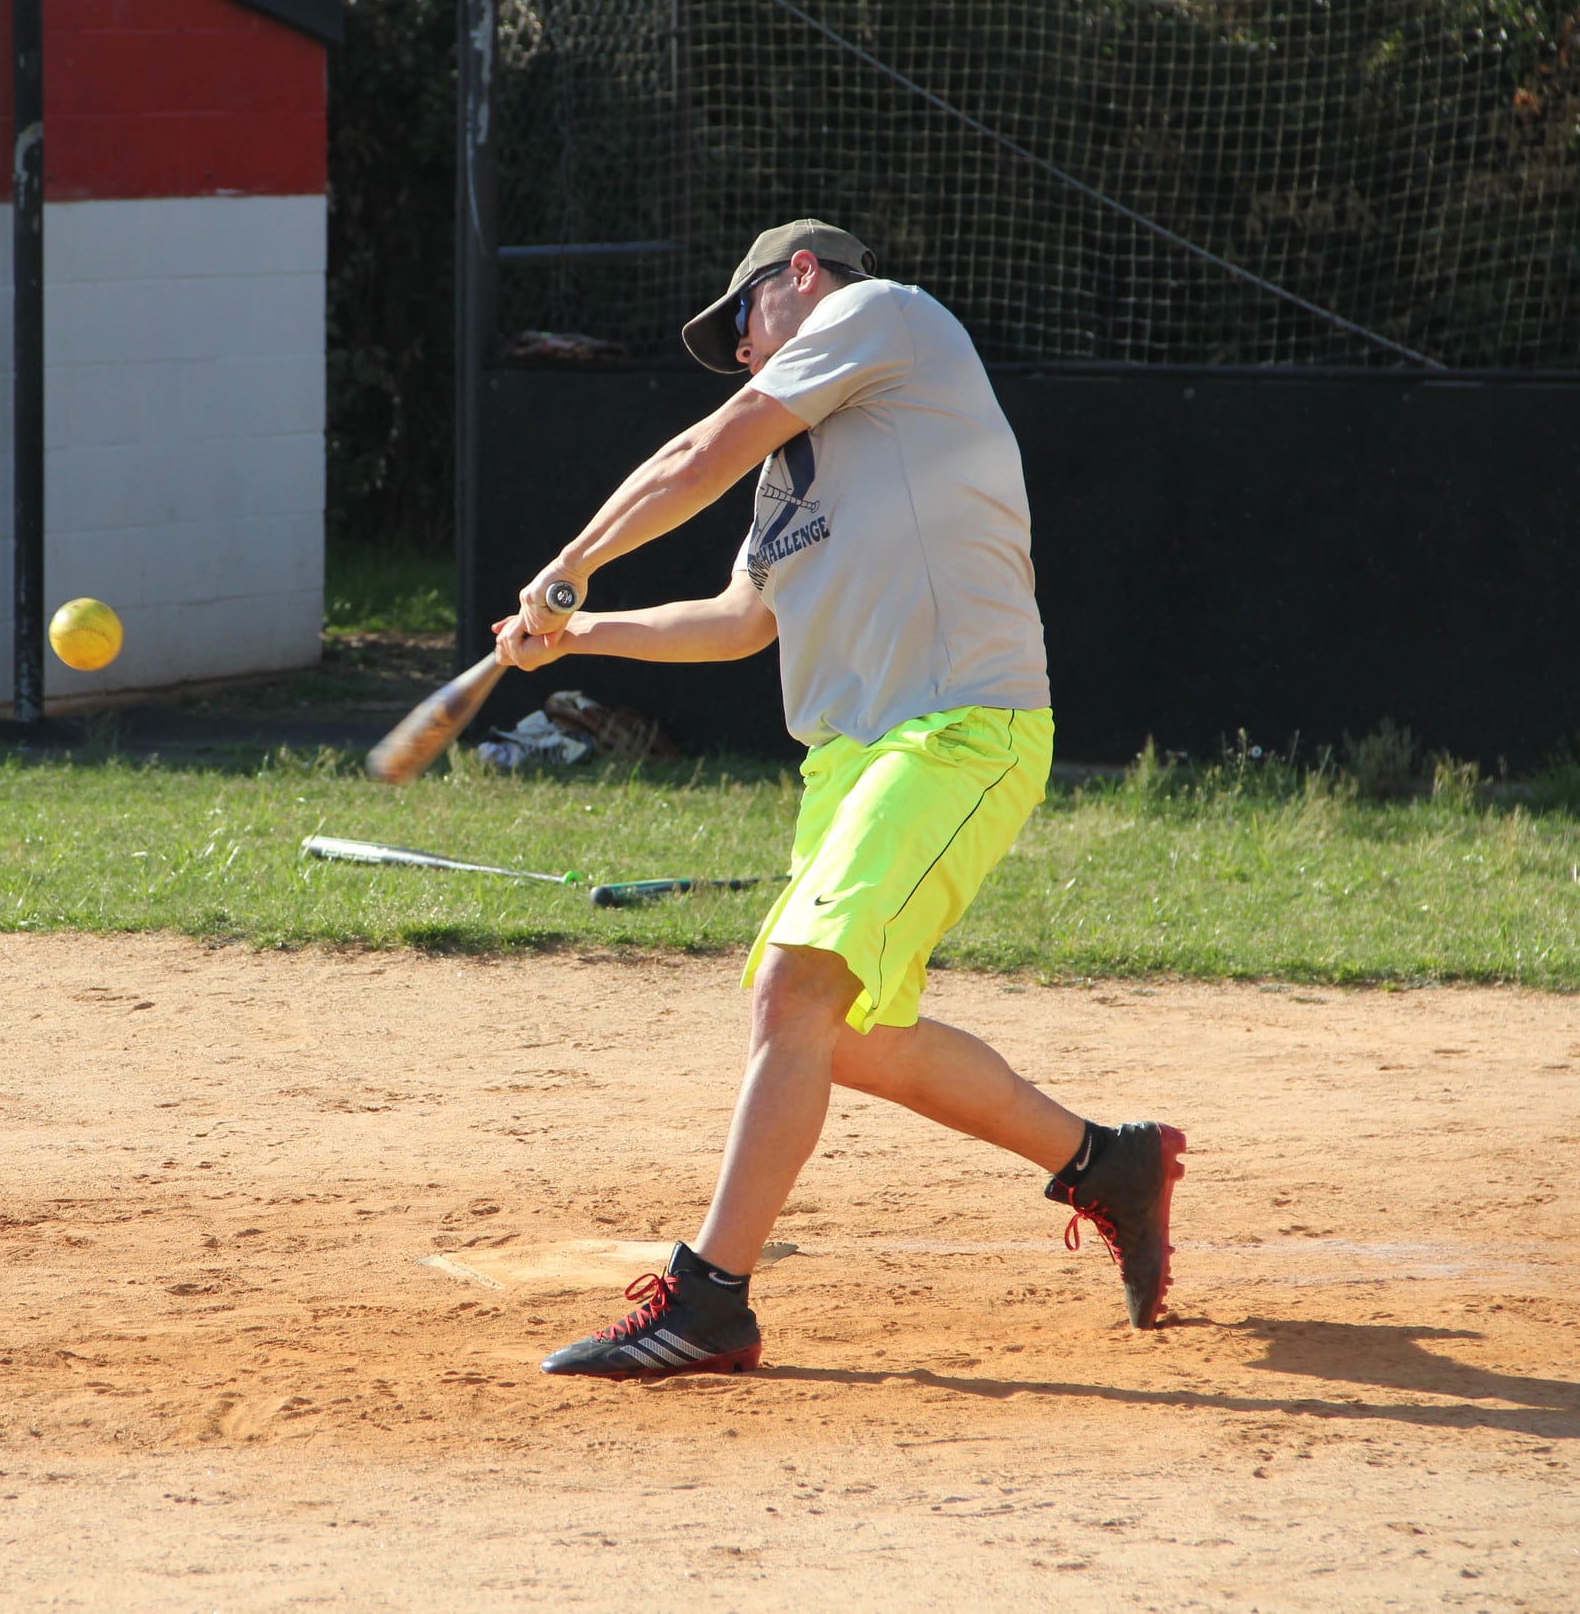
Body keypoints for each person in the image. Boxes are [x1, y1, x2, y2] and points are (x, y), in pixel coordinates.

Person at [493, 220, 1186, 1379]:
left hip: (959, 727)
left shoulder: (883, 316)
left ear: (800, 279)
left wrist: (571, 559)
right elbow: (737, 622)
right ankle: (1104, 1161)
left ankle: (709, 1299)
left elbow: (699, 449)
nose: (744, 354)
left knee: (793, 990)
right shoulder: (795, 475)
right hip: (851, 763)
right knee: (842, 1034)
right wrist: (574, 635)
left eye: (745, 322)